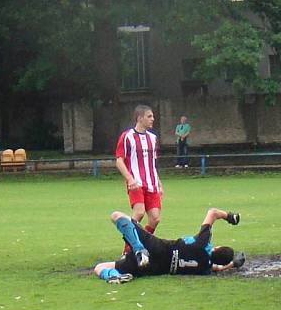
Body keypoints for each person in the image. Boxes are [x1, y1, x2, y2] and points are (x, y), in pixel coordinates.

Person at [93, 208, 245, 283]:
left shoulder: (203, 243)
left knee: (117, 216)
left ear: (216, 248)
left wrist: (229, 217)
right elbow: (216, 268)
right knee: (100, 267)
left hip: (156, 248)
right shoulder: (205, 267)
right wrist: (232, 265)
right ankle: (115, 276)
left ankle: (138, 249)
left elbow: (212, 213)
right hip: (152, 269)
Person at [115, 105, 162, 250]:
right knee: (139, 213)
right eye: (149, 116)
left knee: (155, 218)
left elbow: (152, 163)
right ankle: (128, 250)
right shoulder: (127, 136)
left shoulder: (153, 138)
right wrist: (130, 178)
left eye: (152, 116)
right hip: (136, 183)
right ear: (139, 118)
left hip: (151, 183)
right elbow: (119, 160)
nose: (152, 119)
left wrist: (159, 183)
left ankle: (142, 245)